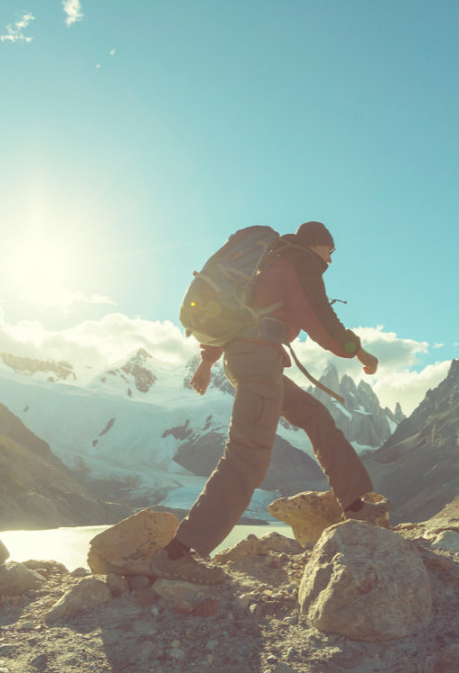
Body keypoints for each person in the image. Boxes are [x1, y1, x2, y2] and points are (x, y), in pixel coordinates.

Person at [150, 221, 388, 584]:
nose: (330, 258)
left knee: (315, 416)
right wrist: (357, 351)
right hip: (259, 361)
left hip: (251, 359)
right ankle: (178, 552)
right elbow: (321, 320)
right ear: (316, 245)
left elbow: (237, 314)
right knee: (248, 455)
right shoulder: (298, 262)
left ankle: (356, 504)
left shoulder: (269, 262)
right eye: (329, 250)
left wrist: (207, 362)